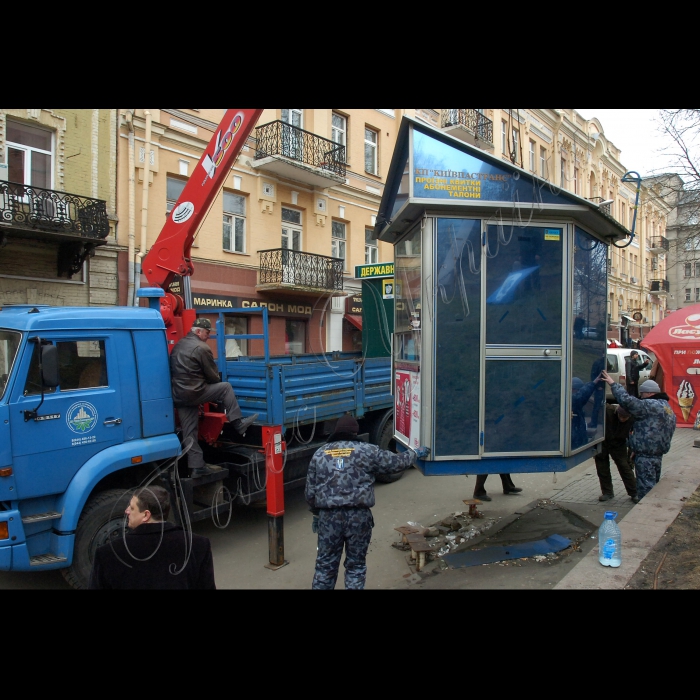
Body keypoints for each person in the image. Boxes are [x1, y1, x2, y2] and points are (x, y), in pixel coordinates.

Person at [305, 414, 428, 590]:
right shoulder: (368, 451)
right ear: (355, 432)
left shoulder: (319, 454)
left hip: (329, 518)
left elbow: (310, 492)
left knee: (325, 568)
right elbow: (395, 463)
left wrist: (316, 514)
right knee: (356, 566)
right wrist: (415, 453)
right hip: (359, 517)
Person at [170, 317, 258, 478]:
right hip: (195, 392)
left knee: (190, 432)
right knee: (225, 388)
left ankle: (196, 467)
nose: (209, 336)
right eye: (207, 332)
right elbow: (213, 377)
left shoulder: (178, 345)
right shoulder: (202, 348)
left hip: (180, 397)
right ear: (198, 331)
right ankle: (239, 423)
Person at [89, 485, 216, 589]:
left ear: (146, 515)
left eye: (132, 508)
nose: (126, 511)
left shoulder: (107, 554)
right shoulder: (198, 545)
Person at [600, 374, 676, 501]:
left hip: (646, 456)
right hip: (657, 455)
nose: (641, 397)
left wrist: (613, 384)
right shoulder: (666, 407)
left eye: (642, 394)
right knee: (653, 488)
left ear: (648, 393)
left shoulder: (649, 405)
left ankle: (646, 516)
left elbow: (627, 401)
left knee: (646, 492)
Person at [595, 404, 638, 503]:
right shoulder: (608, 411)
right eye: (621, 417)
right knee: (602, 468)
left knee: (625, 467)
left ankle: (634, 492)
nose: (622, 419)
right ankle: (607, 492)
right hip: (603, 441)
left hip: (619, 443)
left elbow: (633, 437)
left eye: (625, 418)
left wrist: (630, 455)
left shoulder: (633, 418)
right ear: (617, 413)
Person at [572, 376, 601, 449]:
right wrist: (593, 383)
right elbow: (579, 397)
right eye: (577, 390)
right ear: (573, 389)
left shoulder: (578, 407)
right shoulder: (572, 401)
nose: (578, 392)